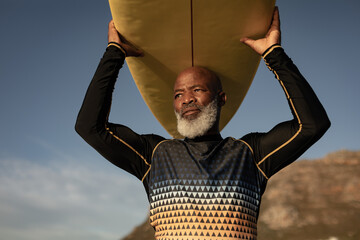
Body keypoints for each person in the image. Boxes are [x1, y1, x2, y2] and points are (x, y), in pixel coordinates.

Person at [75, 7, 330, 240]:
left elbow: (312, 125)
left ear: (221, 98)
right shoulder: (155, 155)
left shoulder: (249, 155)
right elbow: (89, 127)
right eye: (178, 94)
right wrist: (114, 55)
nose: (187, 99)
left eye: (197, 89)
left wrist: (275, 56)